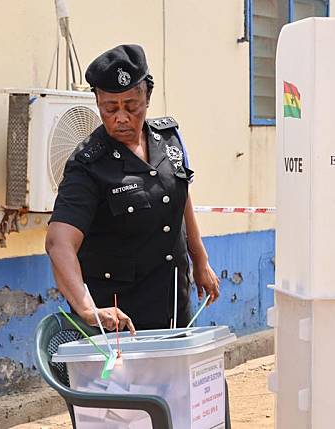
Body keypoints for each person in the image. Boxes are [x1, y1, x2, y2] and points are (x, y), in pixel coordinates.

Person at [45, 44, 219, 334]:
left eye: (131, 106)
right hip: (123, 320)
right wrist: (88, 309)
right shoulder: (88, 164)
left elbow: (180, 195)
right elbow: (58, 243)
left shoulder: (168, 139)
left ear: (147, 97)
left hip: (174, 303)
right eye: (110, 108)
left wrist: (200, 260)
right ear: (98, 103)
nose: (121, 117)